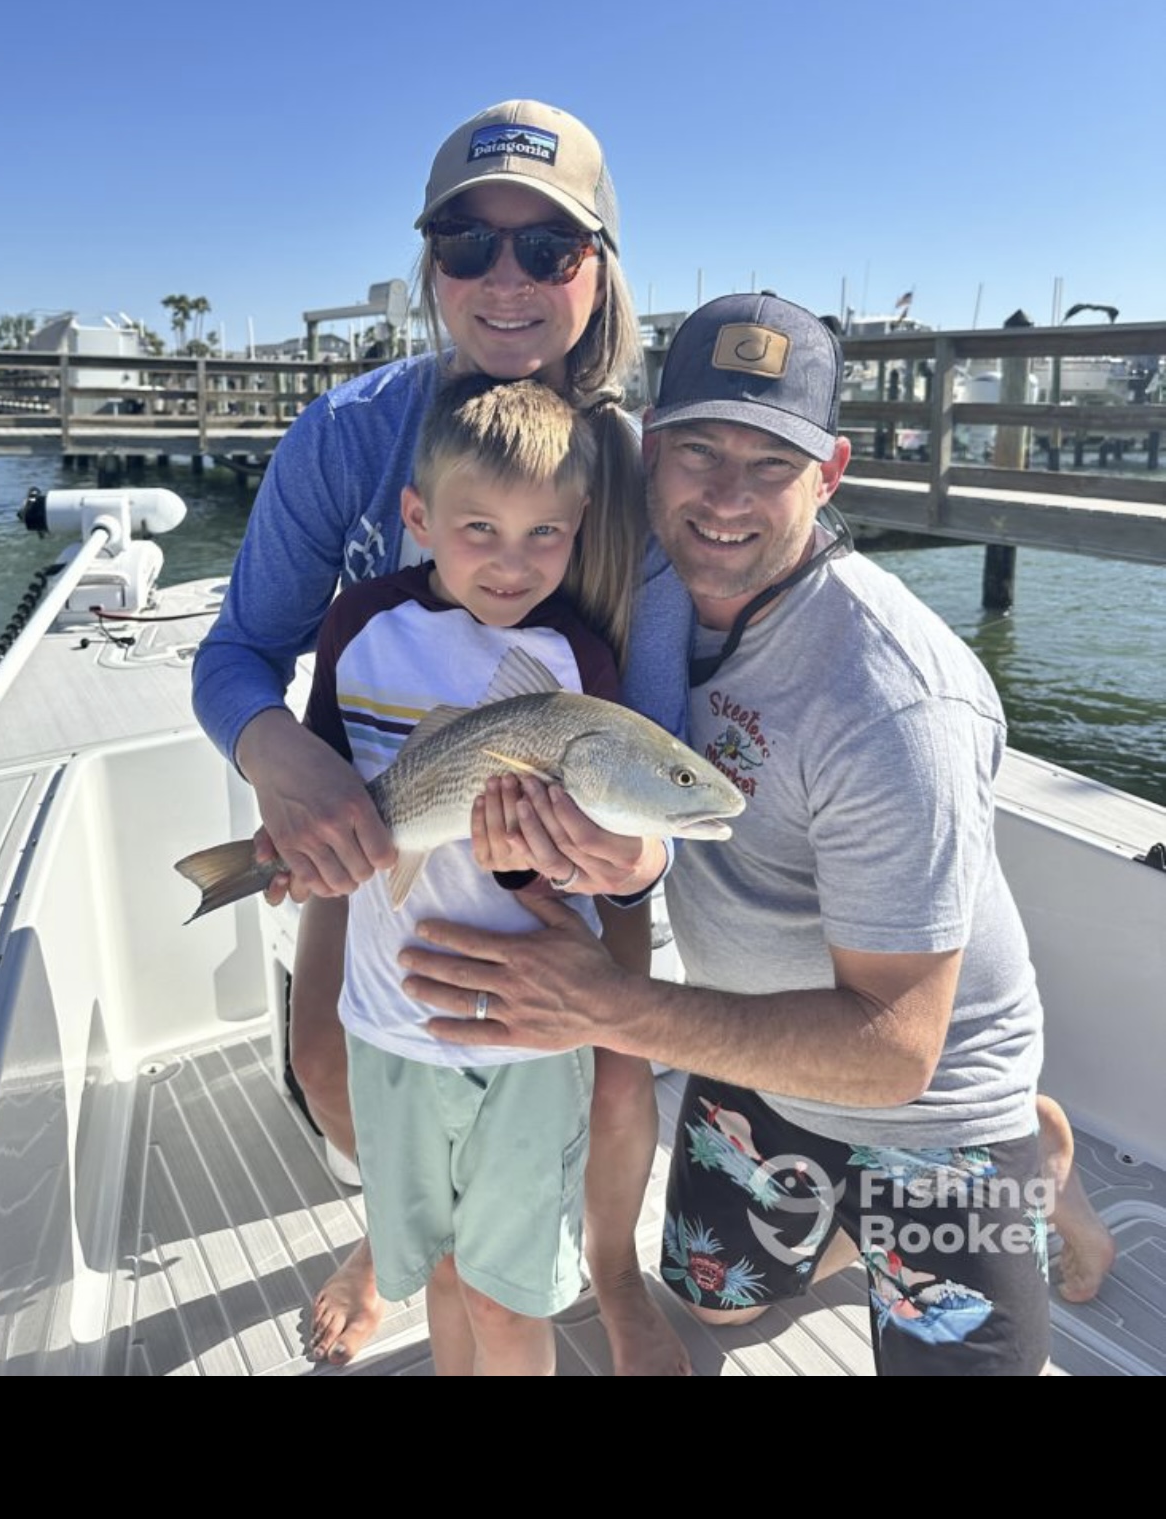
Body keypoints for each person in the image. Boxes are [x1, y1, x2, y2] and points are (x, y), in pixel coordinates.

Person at [398, 291, 1114, 1375]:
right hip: (758, 1051)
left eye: (770, 464)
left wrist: (608, 1003)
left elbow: (895, 1051)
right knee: (720, 1309)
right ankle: (858, 1227)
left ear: (828, 476)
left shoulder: (895, 699)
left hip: (935, 1097)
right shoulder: (657, 593)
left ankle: (1035, 1155)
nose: (726, 496)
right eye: (696, 451)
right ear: (648, 455)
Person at [191, 97, 692, 1374]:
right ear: (431, 267)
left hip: (571, 821)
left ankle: (614, 1268)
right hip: (387, 806)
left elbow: (661, 740)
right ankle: (403, 1238)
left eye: (548, 249)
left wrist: (611, 860)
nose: (505, 278)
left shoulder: (633, 473)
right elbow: (235, 653)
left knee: (619, 1071)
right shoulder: (350, 435)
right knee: (327, 1057)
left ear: (601, 270)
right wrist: (284, 761)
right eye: (467, 245)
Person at [308, 371, 667, 1374]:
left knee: (509, 1300)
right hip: (390, 1022)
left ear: (581, 524)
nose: (513, 565)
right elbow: (325, 782)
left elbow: (587, 874)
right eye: (479, 530)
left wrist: (527, 870)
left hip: (525, 1041)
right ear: (417, 516)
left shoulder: (574, 660)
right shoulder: (358, 627)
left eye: (544, 535)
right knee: (444, 1279)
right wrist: (302, 844)